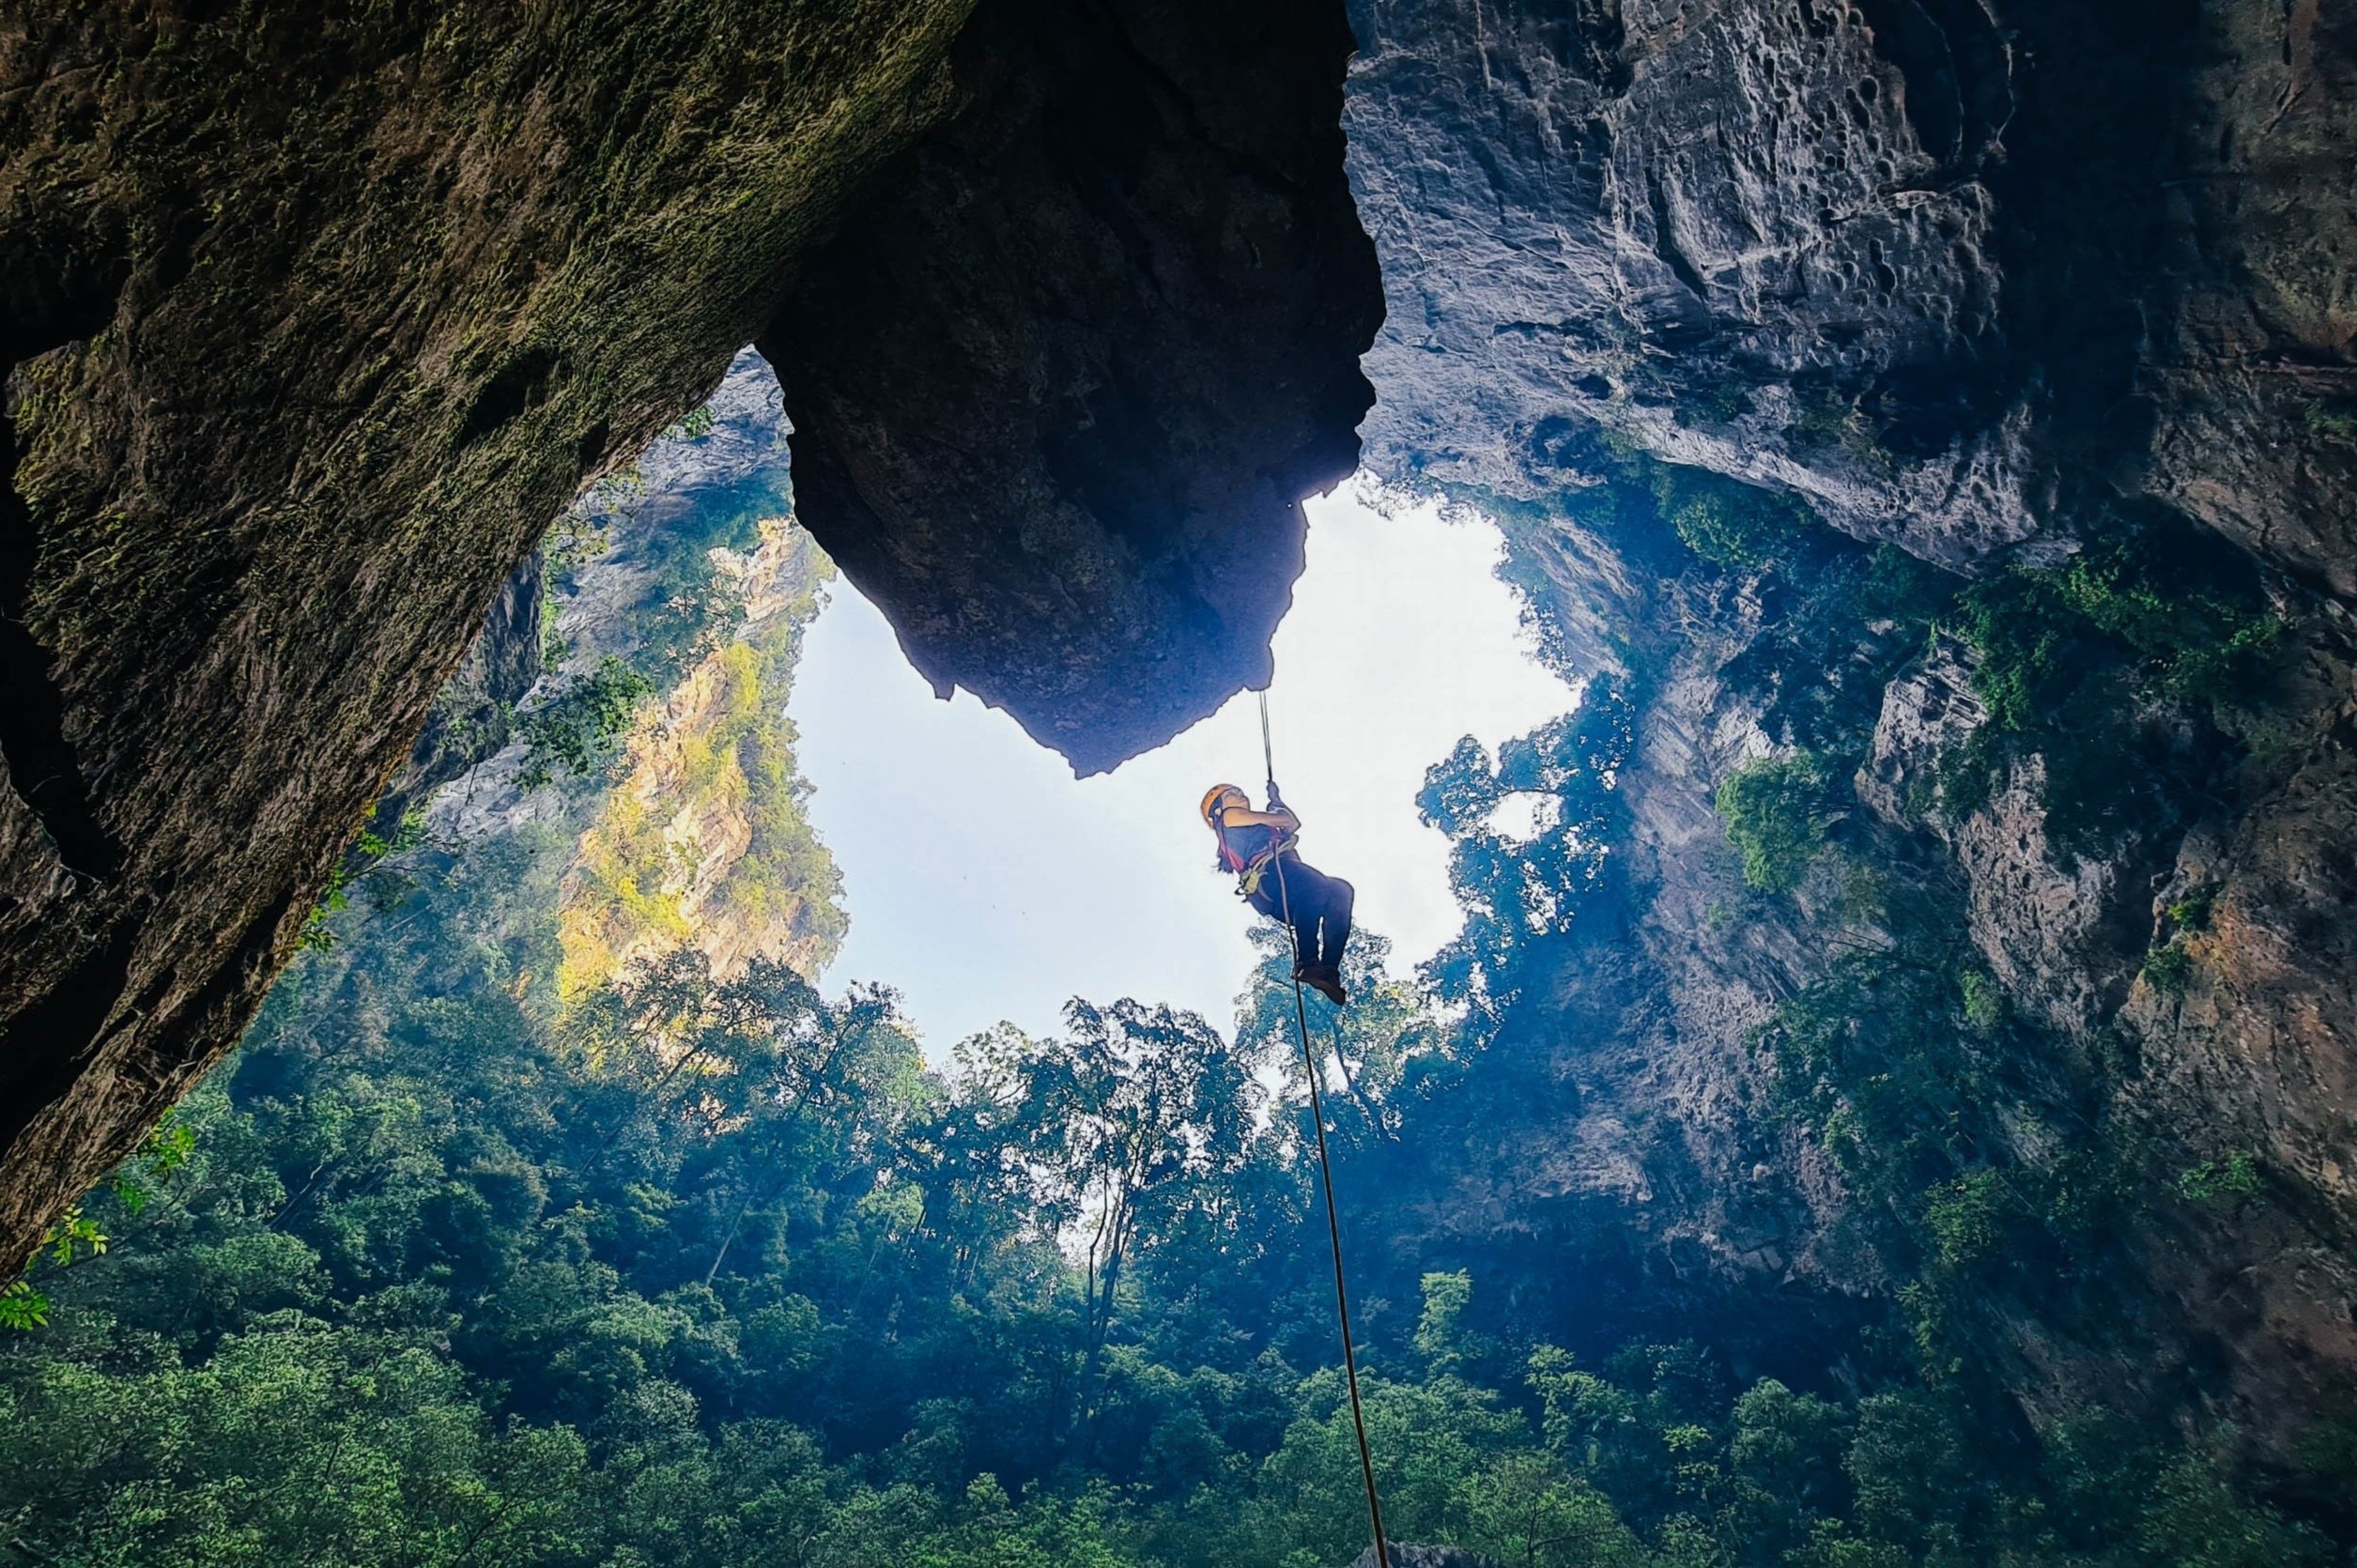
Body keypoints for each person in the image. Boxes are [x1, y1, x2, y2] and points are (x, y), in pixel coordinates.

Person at [1202, 782, 1354, 1005]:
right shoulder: (1228, 818)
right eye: (1231, 794)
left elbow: (1292, 823)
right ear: (1217, 810)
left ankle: (1328, 971)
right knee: (1315, 886)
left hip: (1287, 887)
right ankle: (1307, 962)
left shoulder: (1254, 823)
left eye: (1239, 790)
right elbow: (1285, 821)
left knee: (1340, 891)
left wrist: (1277, 801)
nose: (1240, 793)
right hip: (1272, 875)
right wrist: (1275, 808)